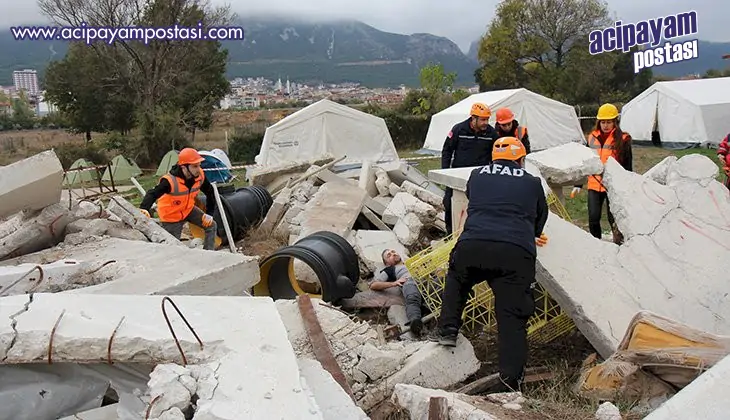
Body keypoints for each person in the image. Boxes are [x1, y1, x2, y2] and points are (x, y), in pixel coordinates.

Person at [433, 136, 549, 393]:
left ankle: (448, 328)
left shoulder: (477, 175)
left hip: (473, 244)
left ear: (493, 158)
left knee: (458, 279)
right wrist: (531, 232)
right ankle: (510, 382)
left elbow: (477, 202)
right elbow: (541, 216)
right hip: (515, 254)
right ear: (520, 159)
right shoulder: (532, 182)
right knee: (512, 318)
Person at [570, 103, 632, 245]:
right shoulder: (591, 138)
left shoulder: (623, 139)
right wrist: (578, 184)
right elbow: (584, 163)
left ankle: (620, 244)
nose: (605, 125)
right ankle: (596, 244)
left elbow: (627, 165)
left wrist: (627, 185)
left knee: (614, 218)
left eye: (609, 122)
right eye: (603, 122)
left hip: (613, 186)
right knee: (593, 217)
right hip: (594, 184)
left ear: (615, 121)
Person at [140, 148, 218, 250]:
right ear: (184, 167)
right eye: (195, 166)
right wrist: (144, 208)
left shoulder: (199, 176)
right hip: (171, 216)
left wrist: (209, 214)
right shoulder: (169, 181)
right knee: (173, 248)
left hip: (188, 210)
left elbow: (210, 192)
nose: (198, 169)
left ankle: (209, 254)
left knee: (211, 226)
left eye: (199, 165)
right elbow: (152, 193)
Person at [441, 102, 498, 236]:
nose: (485, 123)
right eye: (483, 119)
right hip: (456, 175)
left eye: (487, 119)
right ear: (473, 118)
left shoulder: (491, 134)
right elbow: (447, 150)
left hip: (480, 177)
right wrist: (445, 172)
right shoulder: (458, 130)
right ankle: (450, 235)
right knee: (449, 204)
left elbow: (496, 156)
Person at [369, 249, 425, 337]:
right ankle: (415, 322)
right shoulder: (390, 269)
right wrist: (394, 283)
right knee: (412, 297)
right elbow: (373, 285)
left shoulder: (411, 260)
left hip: (427, 278)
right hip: (410, 282)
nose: (393, 254)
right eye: (389, 255)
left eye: (394, 252)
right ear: (387, 263)